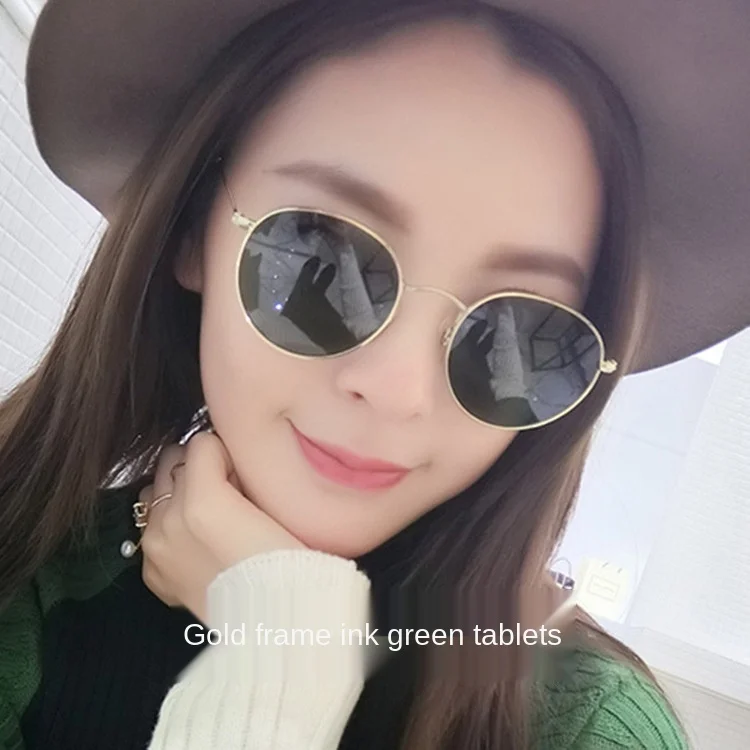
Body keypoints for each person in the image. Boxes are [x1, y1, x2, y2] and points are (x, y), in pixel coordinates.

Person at [1, 0, 748, 748]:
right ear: (193, 229)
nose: (400, 391)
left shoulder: (585, 728)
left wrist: (281, 652)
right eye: (325, 259)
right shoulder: (23, 586)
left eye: (515, 330)